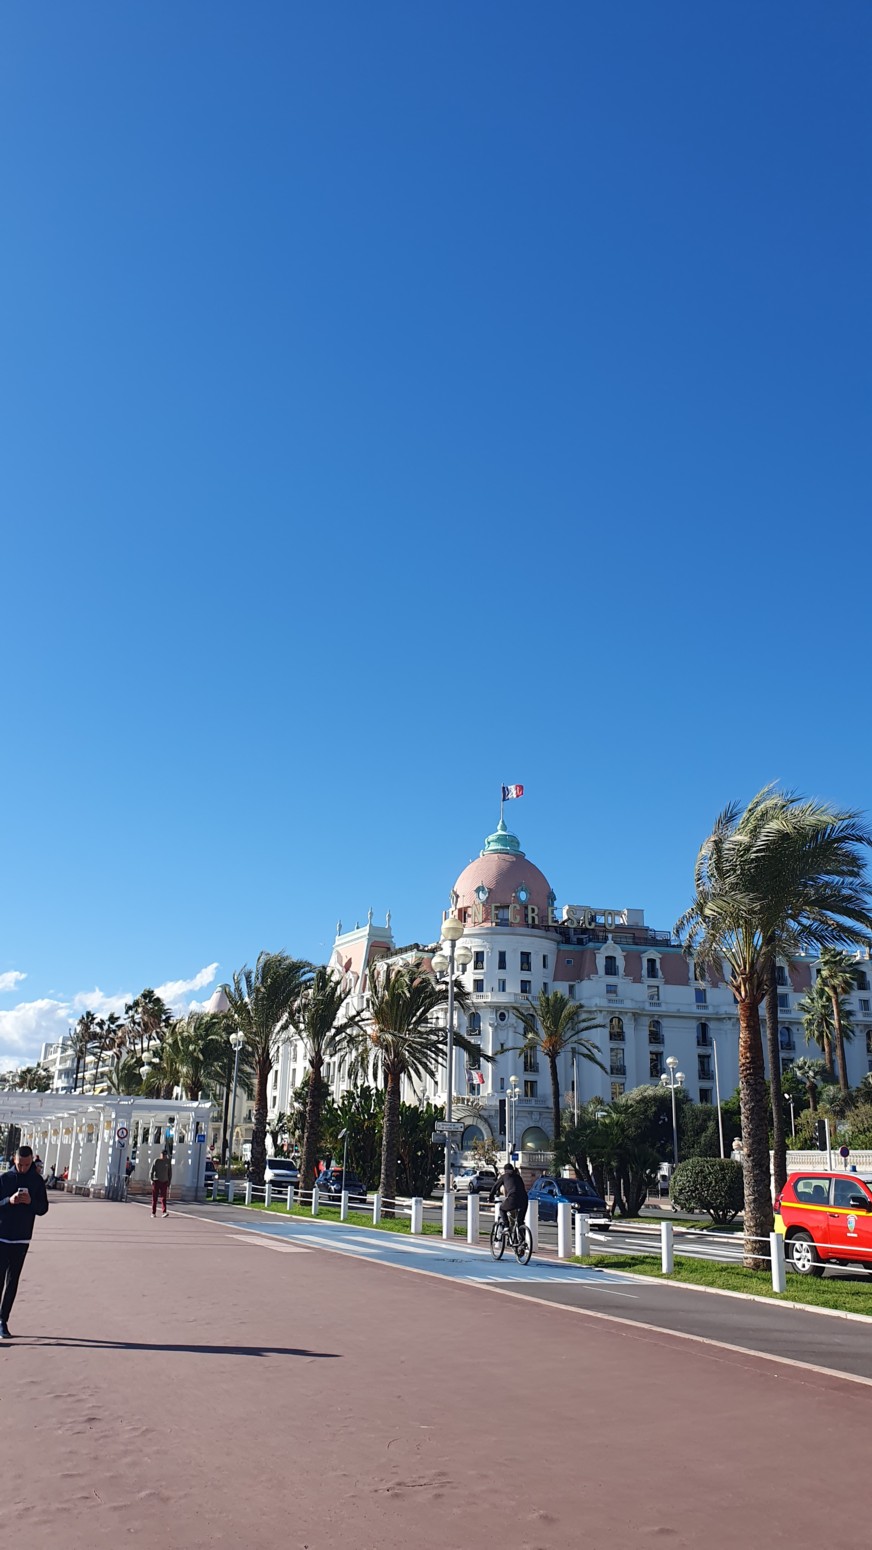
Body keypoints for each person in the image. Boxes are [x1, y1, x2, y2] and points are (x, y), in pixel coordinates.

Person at [0, 1145, 50, 1339]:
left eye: (27, 1165)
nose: (23, 1168)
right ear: (15, 1160)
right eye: (20, 1164)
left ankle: (3, 1321)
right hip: (2, 1236)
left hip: (22, 1238)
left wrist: (31, 1202)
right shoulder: (4, 1179)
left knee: (12, 1282)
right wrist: (9, 1201)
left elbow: (43, 1208)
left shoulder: (36, 1181)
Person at [489, 1163, 528, 1233]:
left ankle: (506, 1226)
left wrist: (490, 1198)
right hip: (524, 1199)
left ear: (505, 1170)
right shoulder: (518, 1177)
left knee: (502, 1209)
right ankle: (521, 1238)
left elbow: (495, 1187)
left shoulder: (504, 1176)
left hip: (513, 1198)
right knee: (520, 1221)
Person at [150, 1150, 172, 1217]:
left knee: (163, 1197)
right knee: (155, 1197)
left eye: (165, 1155)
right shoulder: (156, 1161)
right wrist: (151, 1180)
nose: (163, 1156)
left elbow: (170, 1172)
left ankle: (164, 1212)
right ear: (160, 1154)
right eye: (162, 1155)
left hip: (164, 1181)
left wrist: (169, 1181)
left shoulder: (168, 1162)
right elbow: (151, 1171)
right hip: (156, 1181)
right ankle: (153, 1213)